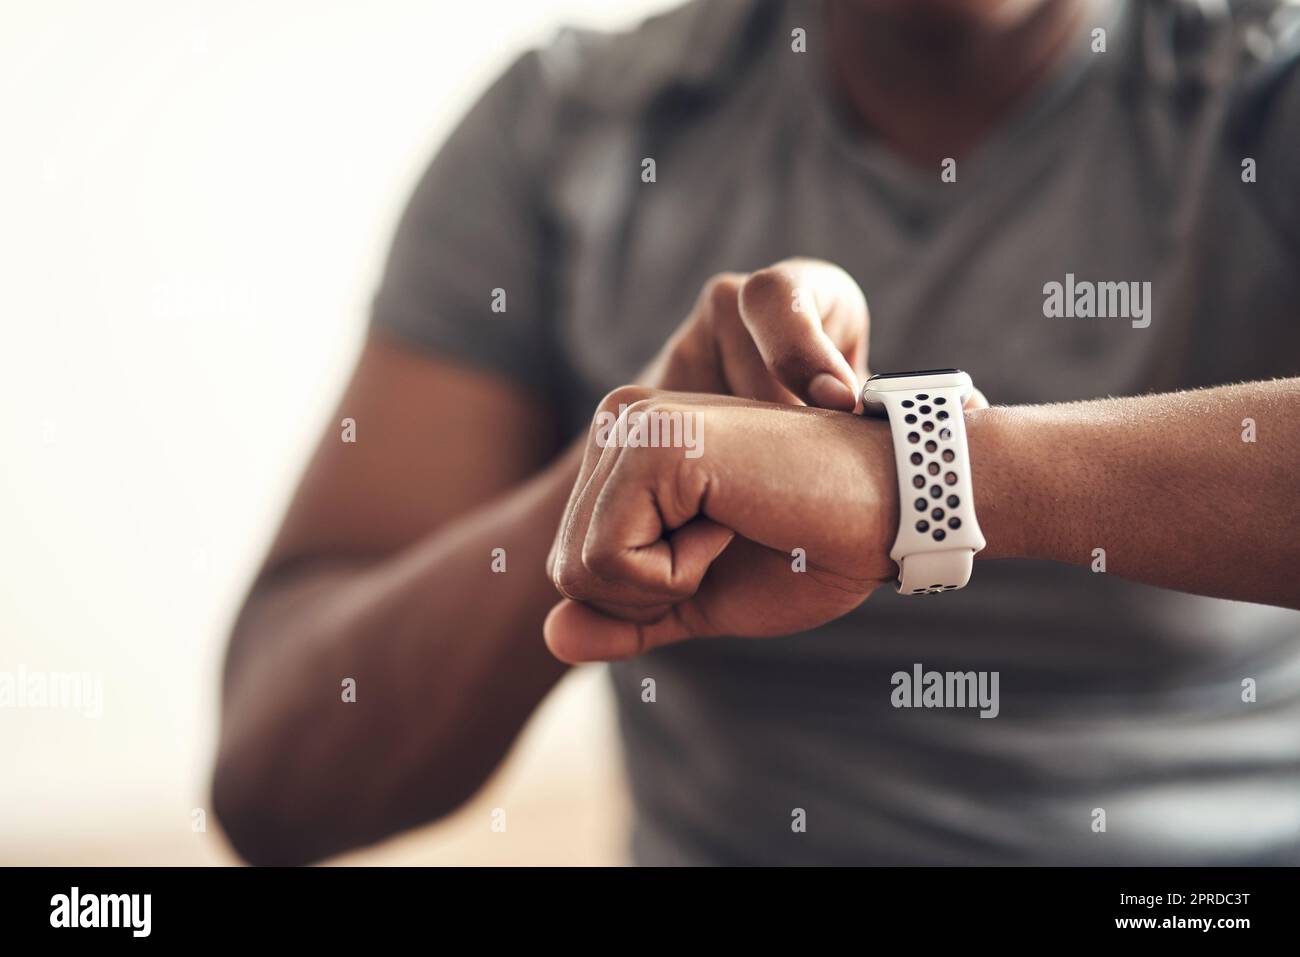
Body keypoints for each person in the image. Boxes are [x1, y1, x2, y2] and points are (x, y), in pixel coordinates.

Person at [212, 0, 1300, 865]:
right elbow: (273, 784)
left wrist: (909, 482)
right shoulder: (568, 129)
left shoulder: (1267, 89)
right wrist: (613, 467)